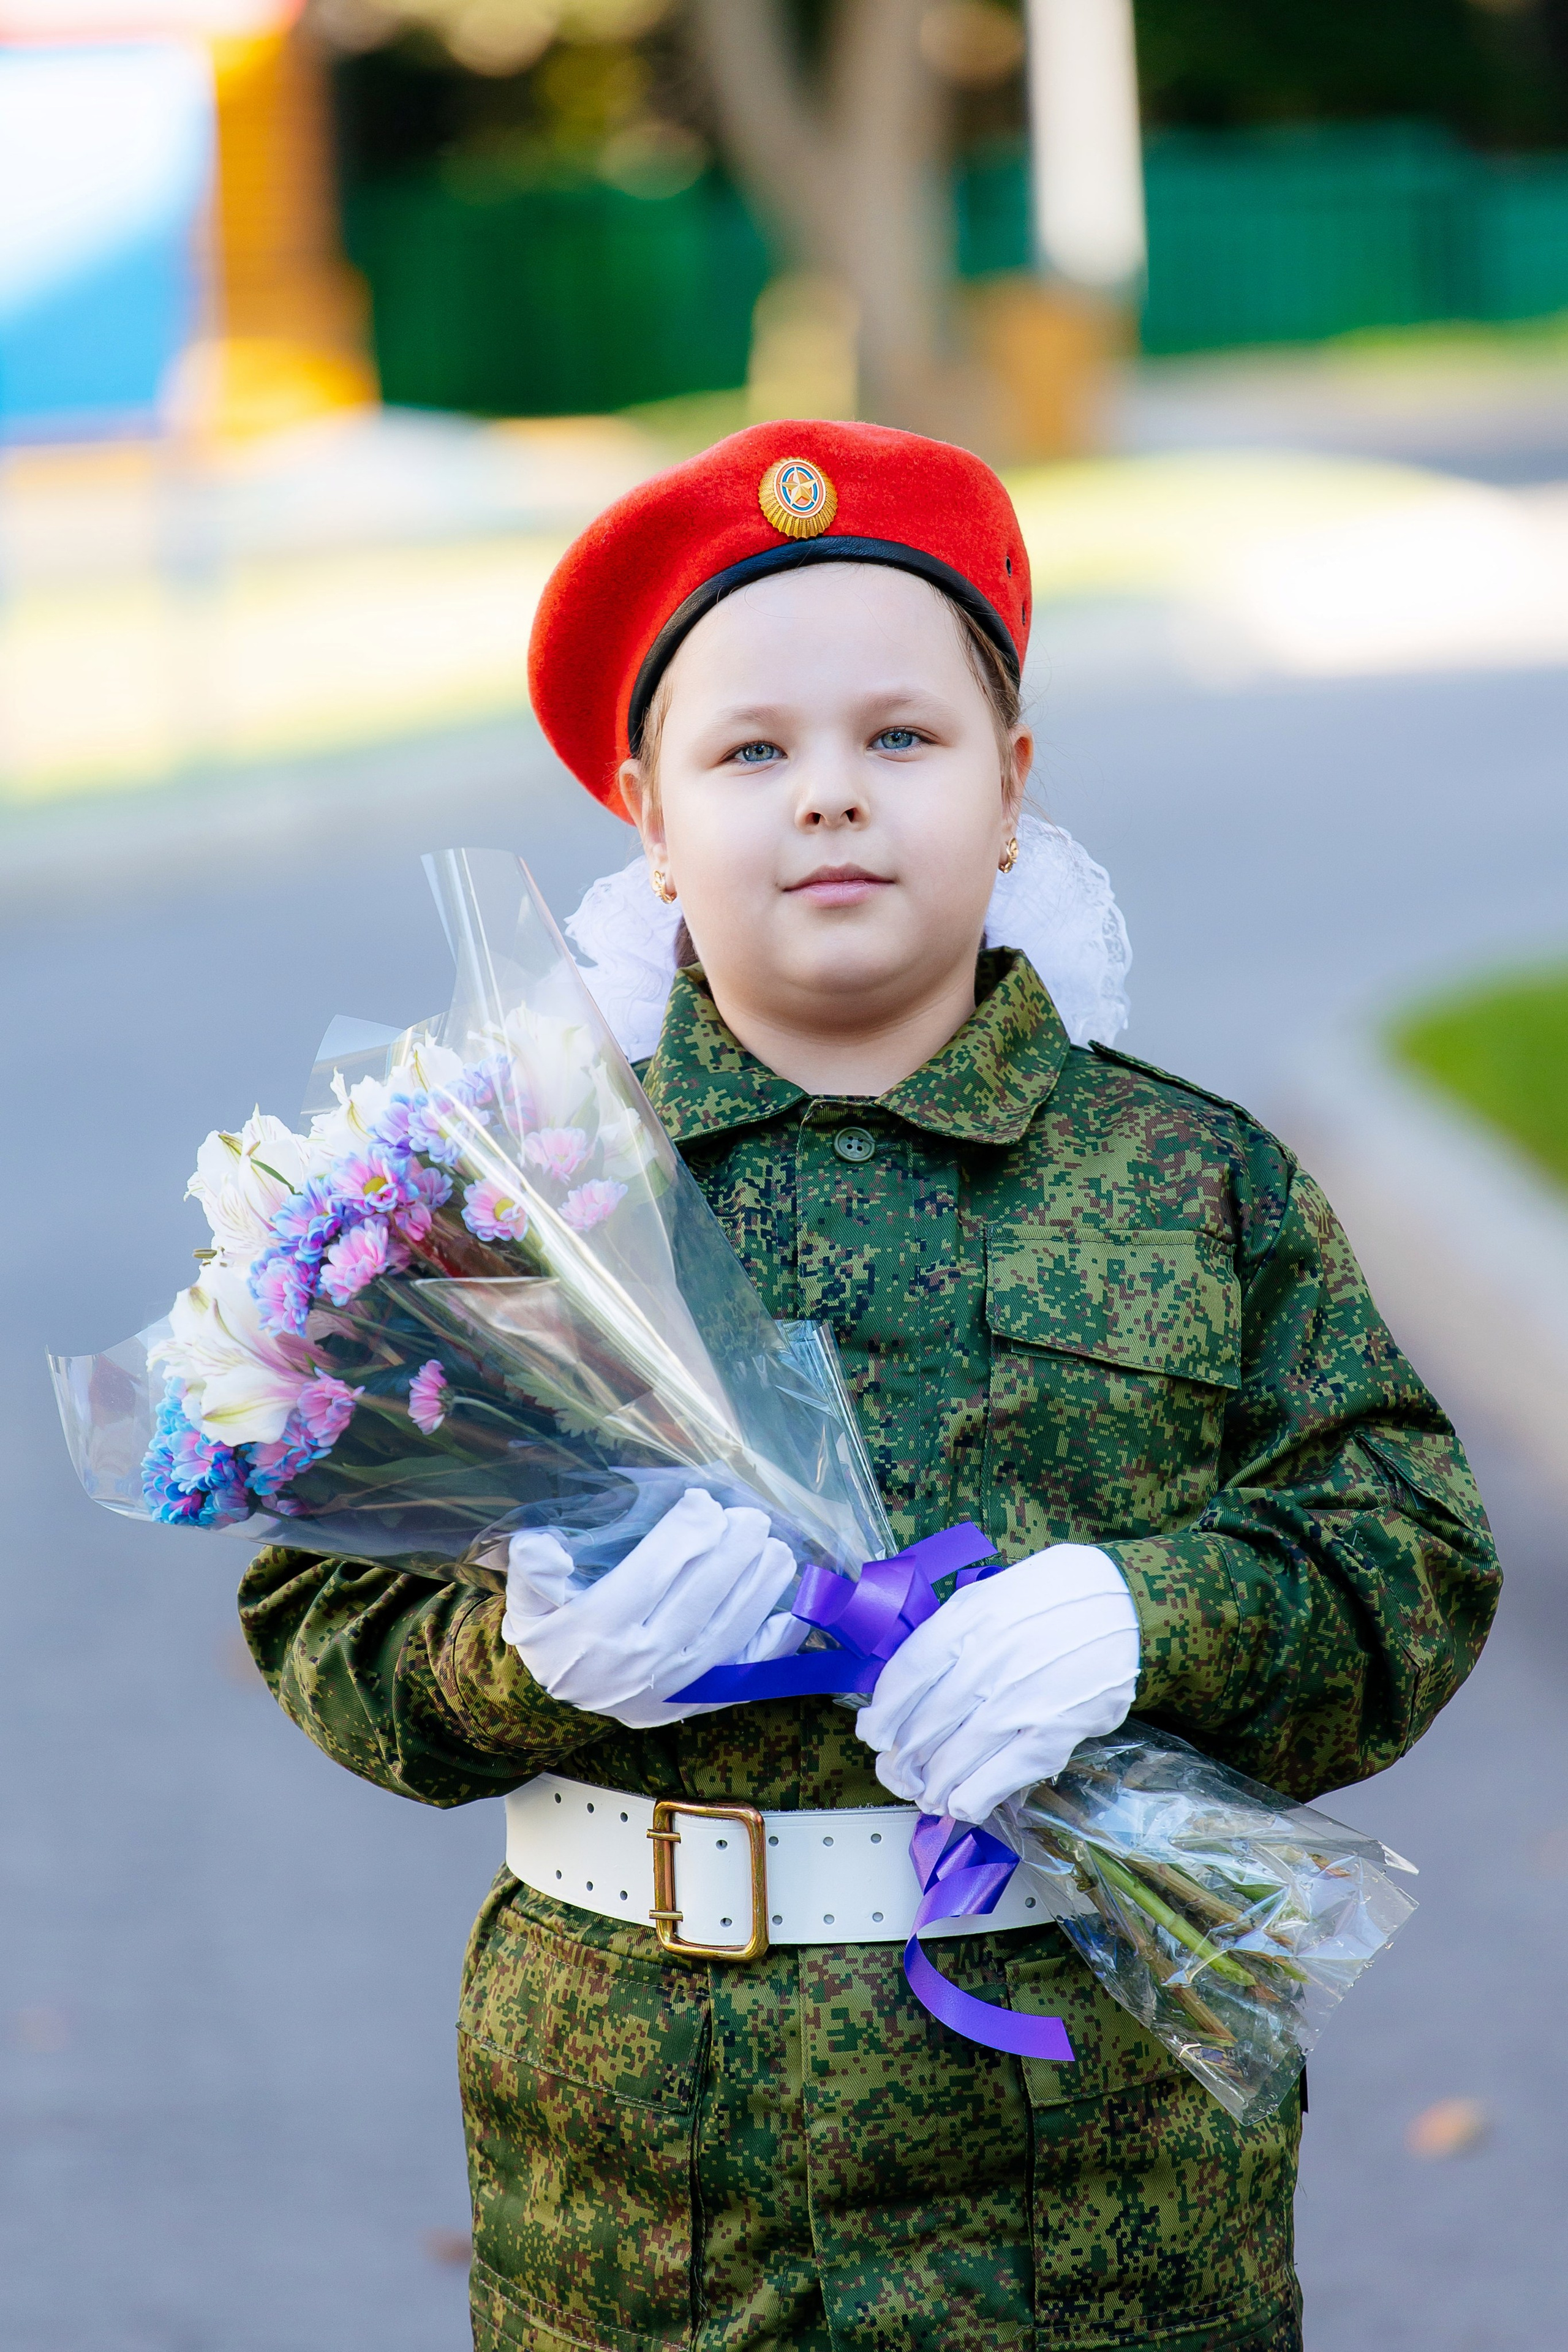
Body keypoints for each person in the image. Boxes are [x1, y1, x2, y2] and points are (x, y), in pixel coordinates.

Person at [239, 421, 1500, 2352]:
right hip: (634, 2208)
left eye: (902, 738)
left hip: (1099, 2192)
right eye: (752, 751)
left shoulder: (1194, 1181)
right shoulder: (526, 1201)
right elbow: (322, 1606)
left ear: (1012, 793)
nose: (830, 795)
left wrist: (1146, 1620)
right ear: (647, 820)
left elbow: (1406, 1553)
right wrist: (525, 1648)